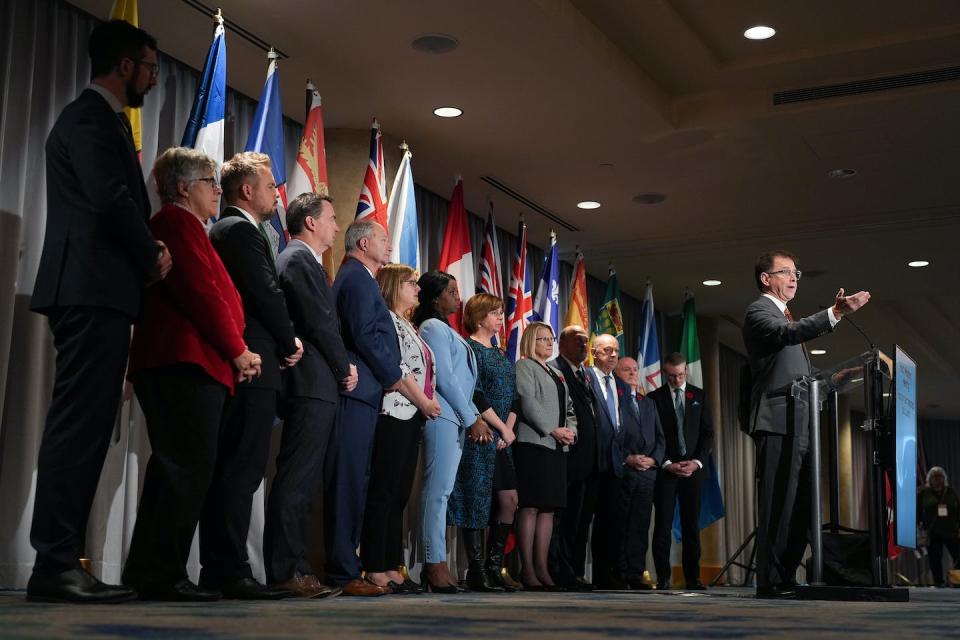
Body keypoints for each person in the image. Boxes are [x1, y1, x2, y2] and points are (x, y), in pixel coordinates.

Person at [27, 19, 171, 604]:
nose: (154, 80)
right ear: (125, 66)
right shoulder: (88, 118)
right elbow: (108, 197)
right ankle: (54, 564)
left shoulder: (96, 120)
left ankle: (58, 563)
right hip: (89, 291)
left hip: (97, 291)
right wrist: (151, 251)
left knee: (84, 429)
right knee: (78, 429)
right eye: (151, 68)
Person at [121, 147, 259, 601]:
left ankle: (150, 571)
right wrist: (237, 349)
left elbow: (216, 292)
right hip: (183, 362)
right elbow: (201, 292)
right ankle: (162, 575)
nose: (218, 190)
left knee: (175, 471)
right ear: (183, 187)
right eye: (209, 181)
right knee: (185, 472)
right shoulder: (174, 223)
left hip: (195, 363)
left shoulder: (190, 227)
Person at [204, 152, 303, 600]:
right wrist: (289, 342)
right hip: (253, 361)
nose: (277, 194)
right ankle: (231, 570)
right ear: (246, 190)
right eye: (269, 186)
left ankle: (225, 567)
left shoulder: (241, 230)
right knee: (240, 471)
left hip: (254, 362)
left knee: (238, 469)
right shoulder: (238, 230)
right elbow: (265, 292)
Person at [742, 249, 869, 598]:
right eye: (786, 272)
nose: (794, 277)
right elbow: (788, 335)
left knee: (801, 502)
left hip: (802, 421)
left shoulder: (787, 318)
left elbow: (806, 379)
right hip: (777, 419)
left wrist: (836, 378)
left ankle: (786, 575)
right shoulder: (760, 311)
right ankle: (768, 579)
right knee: (778, 500)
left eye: (796, 271)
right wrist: (835, 313)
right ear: (766, 279)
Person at [264, 193, 356, 598]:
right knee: (297, 480)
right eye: (332, 219)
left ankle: (297, 567)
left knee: (303, 480)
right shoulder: (297, 260)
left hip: (316, 385)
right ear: (311, 223)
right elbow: (319, 322)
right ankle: (287, 571)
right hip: (310, 383)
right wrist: (344, 367)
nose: (338, 227)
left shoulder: (306, 261)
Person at [325, 220, 403, 596]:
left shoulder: (363, 278)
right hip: (355, 393)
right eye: (385, 240)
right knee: (348, 482)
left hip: (366, 394)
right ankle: (342, 571)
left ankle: (348, 565)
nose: (389, 246)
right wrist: (393, 374)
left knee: (358, 482)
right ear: (365, 242)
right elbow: (363, 333)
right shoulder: (356, 277)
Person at [361, 264, 441, 594]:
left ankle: (392, 565)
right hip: (393, 412)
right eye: (411, 283)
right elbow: (398, 366)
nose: (418, 288)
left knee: (398, 494)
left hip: (412, 415)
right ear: (395, 285)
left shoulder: (408, 323)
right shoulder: (387, 320)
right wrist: (424, 402)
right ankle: (374, 565)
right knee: (383, 491)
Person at [413, 271, 484, 593]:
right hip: (442, 414)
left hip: (455, 416)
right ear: (433, 297)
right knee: (437, 492)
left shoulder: (448, 330)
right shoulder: (432, 327)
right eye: (451, 291)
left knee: (443, 492)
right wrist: (472, 418)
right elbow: (444, 378)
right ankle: (434, 563)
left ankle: (439, 561)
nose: (459, 296)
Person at [449, 293, 519, 592]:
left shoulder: (501, 353)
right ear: (479, 318)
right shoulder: (471, 350)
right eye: (495, 313)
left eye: (501, 312)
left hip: (503, 437)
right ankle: (476, 570)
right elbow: (475, 393)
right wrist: (501, 428)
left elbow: (515, 397)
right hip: (482, 434)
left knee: (509, 500)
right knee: (476, 500)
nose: (500, 318)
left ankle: (494, 565)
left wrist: (510, 430)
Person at [514, 322, 577, 591]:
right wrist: (552, 430)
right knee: (530, 506)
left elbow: (570, 408)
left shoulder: (556, 372)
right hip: (534, 444)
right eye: (543, 339)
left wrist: (570, 432)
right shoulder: (524, 367)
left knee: (549, 508)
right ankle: (527, 568)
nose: (550, 343)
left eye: (551, 338)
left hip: (556, 448)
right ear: (530, 341)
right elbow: (527, 402)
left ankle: (542, 568)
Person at [646, 352, 714, 590]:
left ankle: (692, 578)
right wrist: (666, 463)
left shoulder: (699, 395)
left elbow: (707, 434)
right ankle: (663, 577)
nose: (677, 380)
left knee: (690, 525)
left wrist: (696, 462)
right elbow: (651, 436)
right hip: (666, 470)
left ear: (686, 371)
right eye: (672, 376)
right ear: (665, 373)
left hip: (693, 470)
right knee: (663, 525)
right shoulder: (653, 398)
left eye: (681, 375)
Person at [549, 325, 599, 591]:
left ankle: (576, 571)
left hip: (590, 462)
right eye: (577, 340)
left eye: (585, 340)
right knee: (565, 520)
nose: (583, 344)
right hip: (567, 458)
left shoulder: (585, 374)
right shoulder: (555, 369)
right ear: (563, 343)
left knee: (582, 521)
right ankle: (561, 571)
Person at [613, 357, 665, 590]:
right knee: (620, 524)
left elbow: (660, 438)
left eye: (635, 369)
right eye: (627, 369)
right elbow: (611, 436)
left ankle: (635, 573)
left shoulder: (648, 403)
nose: (633, 373)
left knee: (640, 526)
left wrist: (653, 459)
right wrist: (628, 458)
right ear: (616, 373)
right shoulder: (615, 400)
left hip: (647, 474)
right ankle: (619, 574)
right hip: (624, 471)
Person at [918, 467, 960, 587]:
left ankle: (956, 580)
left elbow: (958, 509)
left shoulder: (950, 492)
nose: (937, 479)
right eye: (934, 476)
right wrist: (920, 522)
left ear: (944, 478)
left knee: (958, 556)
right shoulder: (923, 493)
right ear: (929, 479)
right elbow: (918, 510)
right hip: (933, 532)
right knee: (935, 559)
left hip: (951, 531)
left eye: (939, 476)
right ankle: (939, 582)